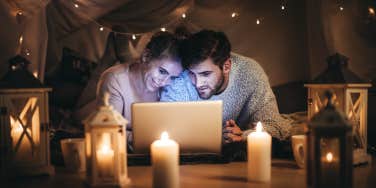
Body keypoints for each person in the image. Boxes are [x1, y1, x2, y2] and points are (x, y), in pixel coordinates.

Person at [160, 30, 292, 148]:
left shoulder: (250, 72)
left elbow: (275, 125)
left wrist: (243, 136)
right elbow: (165, 129)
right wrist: (216, 138)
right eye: (192, 74)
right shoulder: (180, 76)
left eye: (205, 74)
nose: (198, 83)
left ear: (226, 66)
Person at [96, 30, 185, 148]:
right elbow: (108, 132)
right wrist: (148, 139)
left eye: (172, 77)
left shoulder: (172, 88)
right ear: (146, 56)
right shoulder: (115, 79)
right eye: (162, 71)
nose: (164, 82)